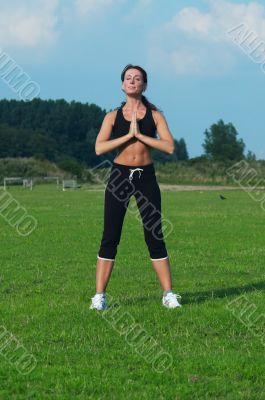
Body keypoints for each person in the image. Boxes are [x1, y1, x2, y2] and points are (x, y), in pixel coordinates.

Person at [90, 64, 182, 310]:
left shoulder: (155, 115)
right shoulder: (112, 116)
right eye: (128, 78)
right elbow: (99, 148)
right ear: (122, 85)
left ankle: (168, 294)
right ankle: (100, 297)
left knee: (155, 236)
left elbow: (169, 147)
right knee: (110, 236)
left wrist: (141, 136)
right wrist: (128, 136)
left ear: (144, 85)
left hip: (146, 177)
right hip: (119, 177)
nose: (132, 81)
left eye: (137, 78)